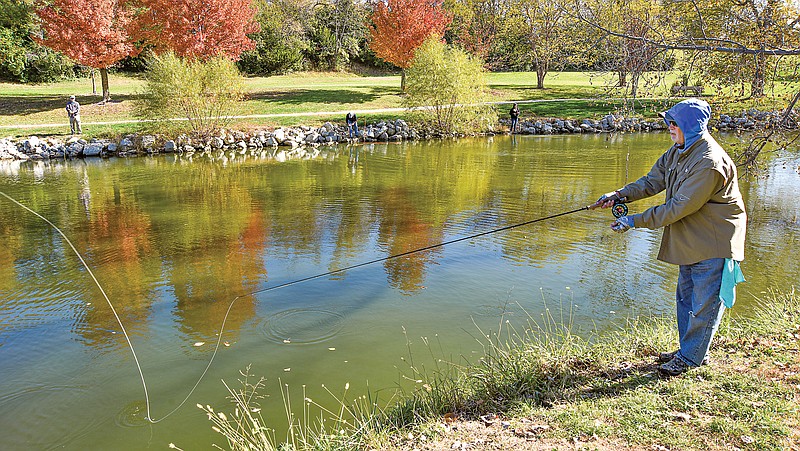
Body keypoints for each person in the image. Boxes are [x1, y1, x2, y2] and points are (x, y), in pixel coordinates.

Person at [591, 98, 747, 377]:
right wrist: (619, 194)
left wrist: (633, 221)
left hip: (714, 241)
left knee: (704, 304)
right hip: (691, 239)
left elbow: (677, 208)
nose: (670, 127)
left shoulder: (708, 163)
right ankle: (691, 350)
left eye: (675, 123)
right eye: (668, 122)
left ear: (692, 126)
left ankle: (690, 358)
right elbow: (652, 181)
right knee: (685, 298)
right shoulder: (678, 150)